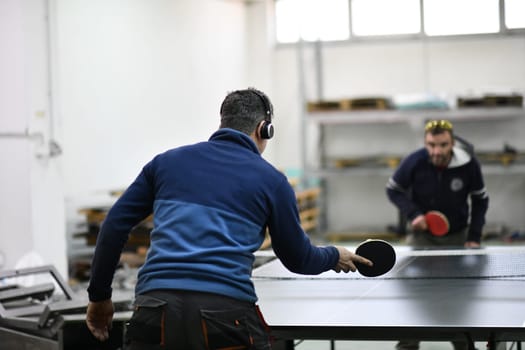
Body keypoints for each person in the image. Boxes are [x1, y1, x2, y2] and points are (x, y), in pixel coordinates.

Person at [85, 87, 372, 350]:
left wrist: (99, 298)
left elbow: (113, 225)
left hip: (153, 311)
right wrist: (334, 255)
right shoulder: (272, 181)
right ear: (264, 129)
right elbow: (298, 258)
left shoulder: (165, 163)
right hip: (224, 315)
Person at [386, 119, 490, 350]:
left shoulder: (468, 165)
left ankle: (464, 345)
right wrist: (413, 214)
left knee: (457, 297)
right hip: (421, 238)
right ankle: (407, 346)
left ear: (452, 143)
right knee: (414, 295)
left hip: (457, 238)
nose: (437, 151)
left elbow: (480, 199)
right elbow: (393, 189)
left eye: (443, 145)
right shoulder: (414, 161)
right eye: (431, 145)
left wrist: (474, 236)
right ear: (426, 143)